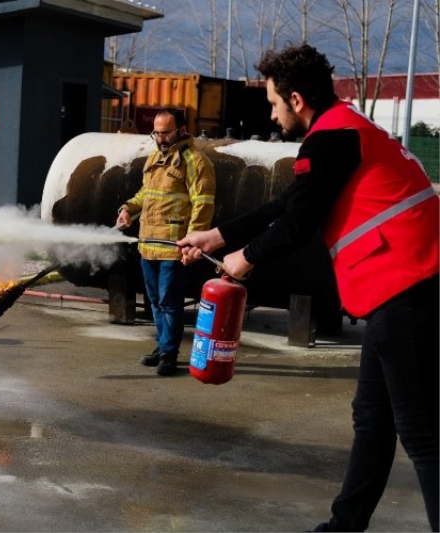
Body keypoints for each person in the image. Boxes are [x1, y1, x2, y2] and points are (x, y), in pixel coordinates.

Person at [178, 44, 439, 532]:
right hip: (399, 290)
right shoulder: (344, 129)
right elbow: (291, 202)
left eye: (274, 104)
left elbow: (297, 222)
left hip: (405, 287)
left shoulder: (332, 137)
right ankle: (345, 525)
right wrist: (218, 235)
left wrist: (243, 260)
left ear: (296, 100)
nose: (272, 114)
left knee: (423, 434)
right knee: (373, 420)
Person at [116, 108, 216, 376]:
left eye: (165, 132)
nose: (159, 138)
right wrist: (127, 209)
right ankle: (162, 347)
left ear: (181, 130)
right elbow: (145, 194)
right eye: (156, 133)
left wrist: (192, 243)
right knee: (155, 301)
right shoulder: (153, 159)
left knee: (170, 303)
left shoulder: (195, 161)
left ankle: (169, 354)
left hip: (174, 248)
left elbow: (203, 205)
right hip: (148, 245)